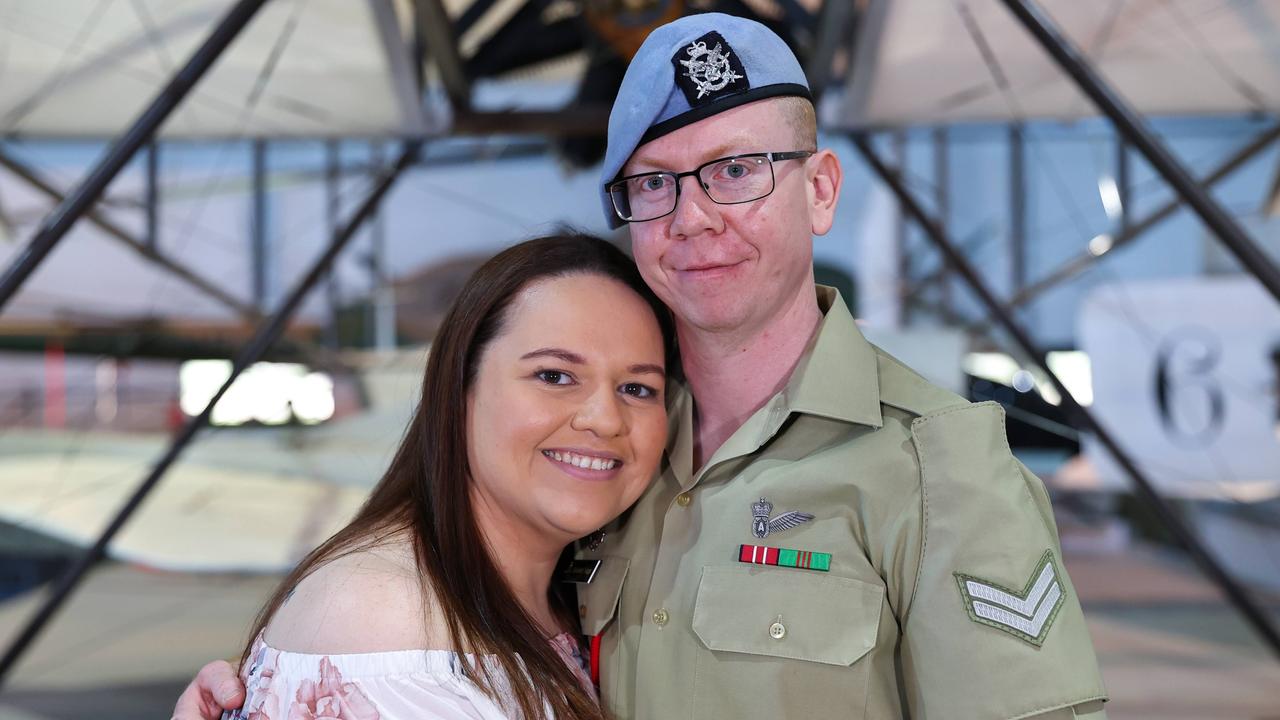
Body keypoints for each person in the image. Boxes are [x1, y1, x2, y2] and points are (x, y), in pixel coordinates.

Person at [177, 12, 1108, 720]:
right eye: (654, 184)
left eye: (737, 169)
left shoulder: (938, 467)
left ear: (819, 191)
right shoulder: (606, 466)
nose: (693, 216)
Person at [179, 234, 673, 720]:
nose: (606, 419)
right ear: (459, 389)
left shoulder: (553, 595)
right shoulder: (386, 623)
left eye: (637, 387)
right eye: (554, 376)